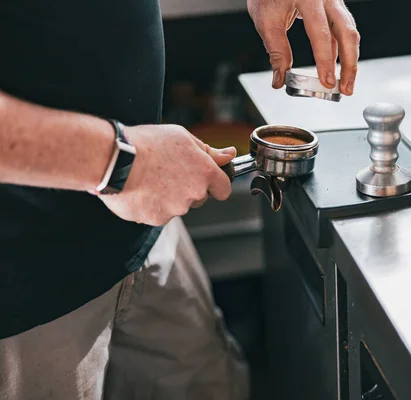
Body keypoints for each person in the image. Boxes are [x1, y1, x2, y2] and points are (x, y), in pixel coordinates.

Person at [0, 0, 360, 399]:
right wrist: (117, 161)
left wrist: (132, 165)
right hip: (27, 285)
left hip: (146, 217)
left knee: (212, 385)